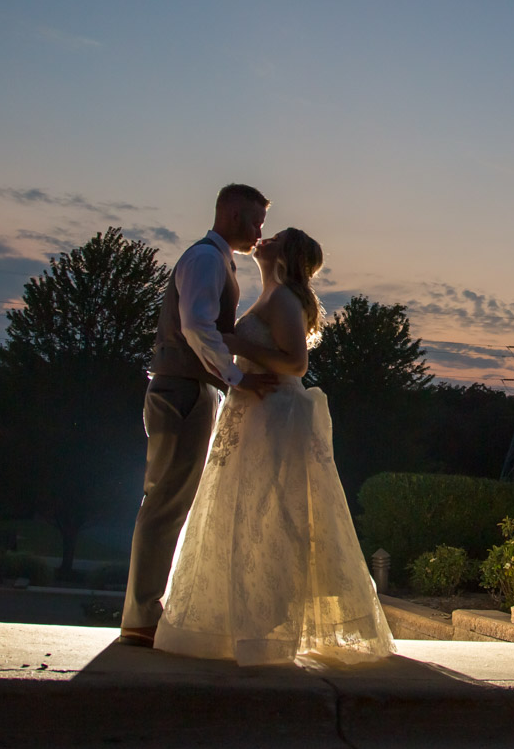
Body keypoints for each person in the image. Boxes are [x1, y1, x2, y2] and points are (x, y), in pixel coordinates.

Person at [153, 227, 395, 666]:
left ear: (287, 256)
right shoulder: (269, 295)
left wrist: (235, 343)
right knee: (240, 513)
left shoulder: (283, 299)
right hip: (253, 412)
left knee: (269, 514)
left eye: (275, 237)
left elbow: (296, 364)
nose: (263, 239)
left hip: (274, 415)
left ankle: (265, 628)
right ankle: (240, 624)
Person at [118, 183, 278, 648]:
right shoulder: (207, 259)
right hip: (184, 390)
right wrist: (236, 378)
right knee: (167, 499)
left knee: (171, 498)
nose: (258, 232)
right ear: (230, 215)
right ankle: (142, 617)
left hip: (188, 389)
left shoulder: (216, 259)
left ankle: (143, 612)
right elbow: (196, 325)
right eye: (254, 222)